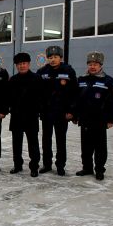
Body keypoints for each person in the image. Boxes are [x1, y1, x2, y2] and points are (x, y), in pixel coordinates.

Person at [74, 51, 113, 181]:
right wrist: (75, 115)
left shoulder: (108, 81)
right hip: (85, 119)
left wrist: (111, 119)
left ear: (100, 65)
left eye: (95, 64)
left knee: (100, 147)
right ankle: (87, 167)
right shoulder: (81, 79)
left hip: (100, 120)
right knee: (85, 146)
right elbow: (76, 99)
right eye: (90, 64)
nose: (92, 67)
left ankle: (99, 169)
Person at [37, 46, 77, 176]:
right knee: (46, 140)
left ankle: (60, 165)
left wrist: (71, 111)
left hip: (62, 113)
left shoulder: (68, 71)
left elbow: (74, 93)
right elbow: (37, 93)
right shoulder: (42, 72)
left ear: (60, 57)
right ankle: (47, 164)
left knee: (61, 140)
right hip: (46, 112)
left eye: (55, 57)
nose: (53, 60)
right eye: (50, 57)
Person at [8, 53, 42, 177]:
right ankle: (17, 165)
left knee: (33, 143)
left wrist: (38, 110)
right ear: (16, 66)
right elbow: (9, 98)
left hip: (31, 116)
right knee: (16, 143)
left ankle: (34, 167)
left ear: (28, 64)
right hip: (16, 116)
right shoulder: (13, 80)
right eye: (19, 64)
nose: (22, 66)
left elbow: (41, 98)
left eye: (24, 63)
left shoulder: (36, 79)